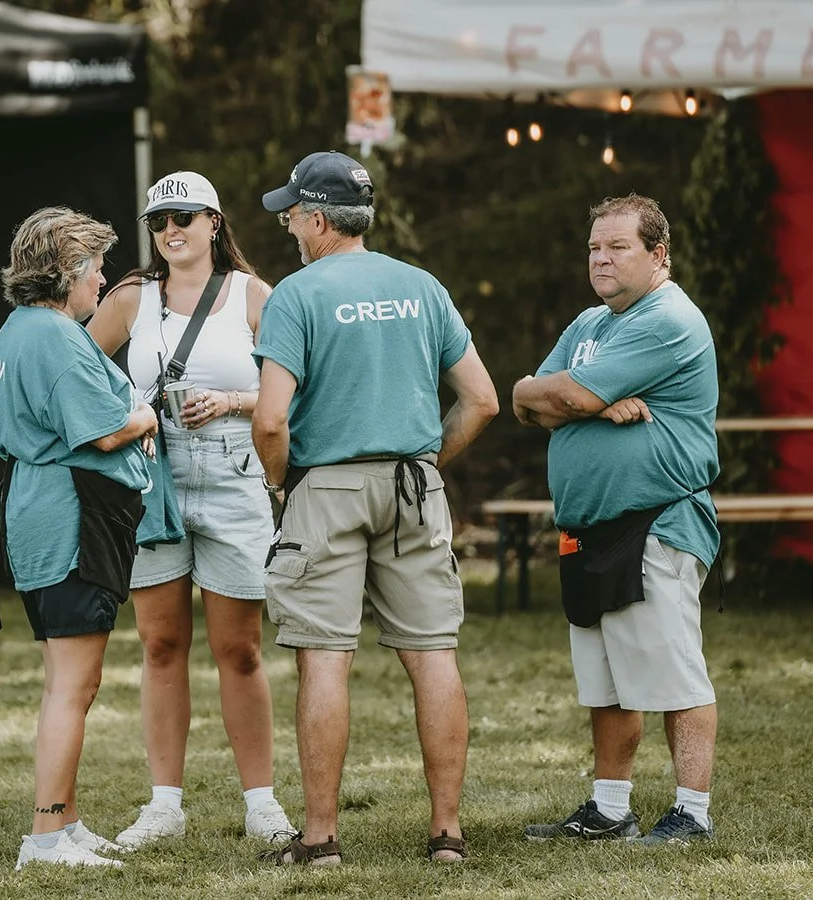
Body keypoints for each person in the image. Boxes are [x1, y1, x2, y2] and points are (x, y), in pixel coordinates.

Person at [251, 151, 500, 865]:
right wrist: (424, 463)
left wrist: (280, 486)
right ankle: (447, 834)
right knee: (433, 656)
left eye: (293, 214)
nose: (289, 226)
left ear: (320, 219)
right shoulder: (421, 286)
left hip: (324, 489)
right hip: (414, 486)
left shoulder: (296, 295)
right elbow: (481, 399)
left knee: (325, 659)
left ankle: (322, 838)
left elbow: (271, 420)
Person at [87, 171, 294, 846]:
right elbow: (79, 373)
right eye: (158, 221)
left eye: (184, 216)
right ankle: (164, 806)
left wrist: (234, 402)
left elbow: (294, 387)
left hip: (234, 471)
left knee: (239, 647)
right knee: (161, 642)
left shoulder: (253, 295)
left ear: (214, 221)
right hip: (154, 474)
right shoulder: (129, 298)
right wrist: (130, 415)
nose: (170, 230)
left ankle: (261, 803)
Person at [512, 194, 721, 846]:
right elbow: (522, 399)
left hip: (656, 520)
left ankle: (692, 813)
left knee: (673, 672)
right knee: (606, 681)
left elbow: (561, 394)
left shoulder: (669, 319)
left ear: (659, 255)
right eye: (594, 248)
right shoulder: (587, 324)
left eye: (618, 247)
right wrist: (595, 405)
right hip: (589, 529)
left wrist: (575, 398)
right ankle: (610, 810)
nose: (601, 259)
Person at [0, 206, 158, 870]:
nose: (102, 281)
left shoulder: (17, 329)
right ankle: (48, 834)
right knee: (74, 687)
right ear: (69, 272)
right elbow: (103, 430)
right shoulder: (56, 336)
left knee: (61, 679)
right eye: (97, 268)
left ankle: (66, 819)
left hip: (35, 513)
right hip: (70, 519)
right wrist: (142, 414)